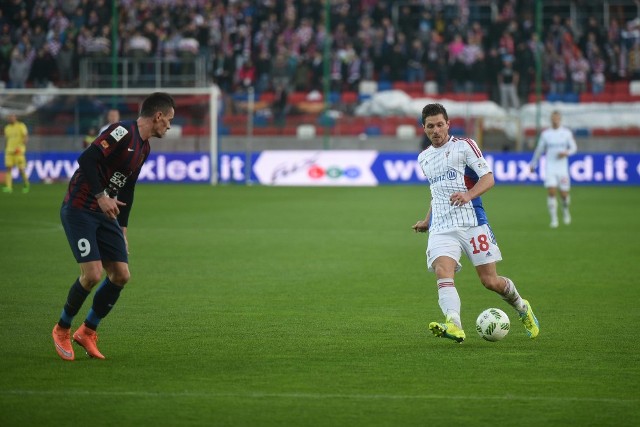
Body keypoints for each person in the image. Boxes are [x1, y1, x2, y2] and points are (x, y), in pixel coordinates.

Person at [52, 92, 175, 361]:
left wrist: (123, 230)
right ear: (158, 116)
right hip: (81, 208)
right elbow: (86, 159)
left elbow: (128, 189)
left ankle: (87, 331)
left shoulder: (144, 148)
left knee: (121, 274)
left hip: (106, 214)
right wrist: (100, 196)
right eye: (169, 120)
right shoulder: (121, 131)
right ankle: (62, 328)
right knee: (93, 274)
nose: (169, 126)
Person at [412, 103, 539, 343]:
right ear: (424, 128)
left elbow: (488, 178)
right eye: (431, 126)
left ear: (448, 124)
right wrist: (428, 220)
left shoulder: (465, 146)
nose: (436, 130)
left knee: (489, 281)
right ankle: (454, 324)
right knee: (442, 271)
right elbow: (436, 192)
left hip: (471, 221)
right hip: (441, 227)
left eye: (440, 124)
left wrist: (468, 195)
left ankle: (522, 307)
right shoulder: (424, 158)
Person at [529, 110, 577, 228]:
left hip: (562, 168)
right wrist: (533, 164)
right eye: (553, 118)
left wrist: (566, 152)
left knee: (564, 194)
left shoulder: (566, 133)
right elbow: (539, 150)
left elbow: (574, 148)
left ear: (560, 119)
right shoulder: (546, 134)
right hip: (550, 167)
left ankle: (565, 211)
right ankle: (554, 219)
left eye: (557, 118)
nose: (555, 120)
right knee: (551, 192)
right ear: (551, 120)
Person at [3, 114, 30, 194]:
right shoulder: (7, 128)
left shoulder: (21, 126)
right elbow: (6, 139)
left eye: (12, 117)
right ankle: (9, 187)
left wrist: (23, 144)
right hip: (9, 151)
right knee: (8, 168)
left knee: (21, 169)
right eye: (9, 117)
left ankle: (26, 184)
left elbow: (25, 136)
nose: (11, 118)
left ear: (15, 118)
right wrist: (6, 147)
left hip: (18, 151)